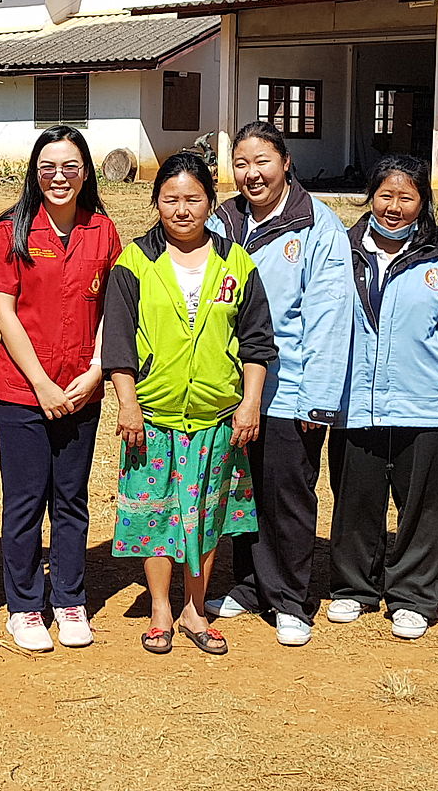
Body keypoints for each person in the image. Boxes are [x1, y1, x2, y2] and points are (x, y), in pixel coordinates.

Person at [102, 151, 276, 656]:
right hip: (153, 416)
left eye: (193, 199)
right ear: (156, 202)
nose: (182, 209)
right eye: (171, 199)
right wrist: (127, 404)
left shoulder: (236, 263)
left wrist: (250, 403)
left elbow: (257, 342)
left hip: (217, 416)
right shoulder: (134, 261)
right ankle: (160, 608)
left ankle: (195, 606)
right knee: (155, 514)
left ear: (211, 203)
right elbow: (117, 341)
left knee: (207, 512)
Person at [205, 122, 352, 647]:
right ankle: (247, 586)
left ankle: (290, 599)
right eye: (241, 164)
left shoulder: (317, 225)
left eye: (262, 161)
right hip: (231, 389)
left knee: (286, 496)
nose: (251, 174)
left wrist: (318, 401)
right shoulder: (222, 220)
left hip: (290, 389)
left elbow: (330, 318)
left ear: (286, 163)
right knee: (241, 495)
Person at [326, 155, 438, 642]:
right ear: (370, 195)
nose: (393, 207)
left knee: (424, 505)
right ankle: (354, 588)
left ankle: (414, 595)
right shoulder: (340, 249)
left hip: (424, 406)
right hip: (354, 402)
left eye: (406, 197)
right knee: (355, 500)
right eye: (385, 195)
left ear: (422, 202)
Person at [0, 126, 120, 652]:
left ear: (86, 172)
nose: (59, 178)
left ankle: (69, 600)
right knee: (23, 501)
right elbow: (4, 311)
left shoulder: (103, 231)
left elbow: (112, 306)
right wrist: (40, 382)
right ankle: (24, 607)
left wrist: (98, 368)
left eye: (70, 167)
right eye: (48, 169)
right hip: (22, 391)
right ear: (35, 175)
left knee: (70, 498)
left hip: (82, 388)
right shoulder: (11, 230)